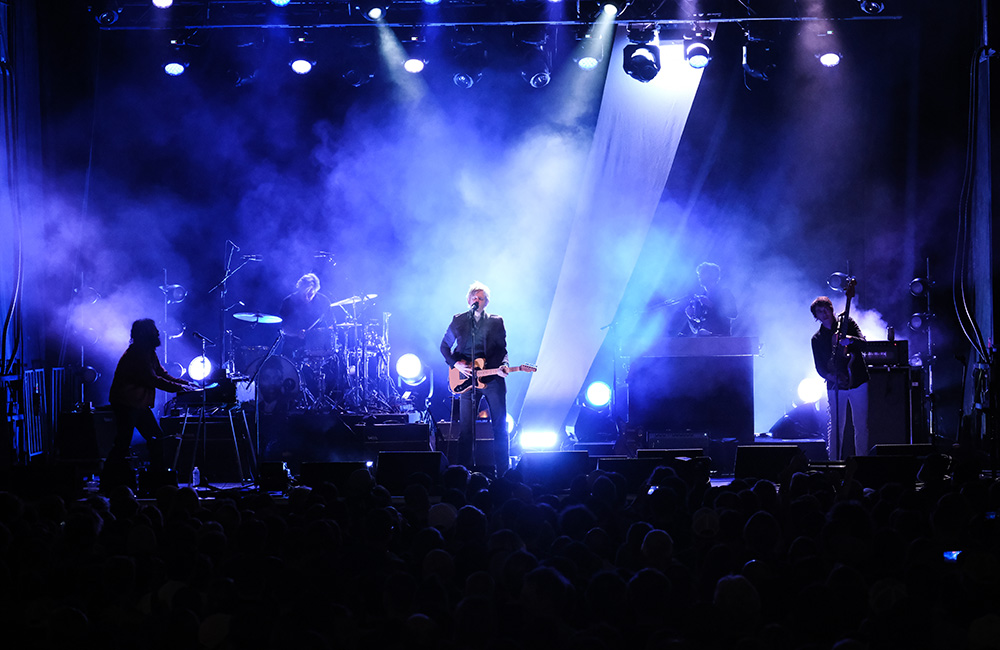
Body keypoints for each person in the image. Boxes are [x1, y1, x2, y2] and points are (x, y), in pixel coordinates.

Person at [104, 318, 197, 487]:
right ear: (145, 333)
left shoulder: (147, 352)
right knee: (124, 443)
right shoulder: (137, 353)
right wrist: (181, 388)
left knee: (156, 438)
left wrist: (186, 384)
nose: (158, 332)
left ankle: (157, 480)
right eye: (154, 330)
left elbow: (162, 374)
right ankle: (108, 481)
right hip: (127, 403)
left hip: (137, 404)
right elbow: (153, 379)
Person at [440, 281, 509, 476]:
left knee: (499, 426)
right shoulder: (459, 320)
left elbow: (503, 350)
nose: (477, 301)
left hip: (492, 378)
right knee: (466, 430)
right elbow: (444, 346)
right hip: (466, 379)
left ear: (487, 302)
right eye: (474, 298)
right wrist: (456, 364)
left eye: (481, 298)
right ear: (468, 299)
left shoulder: (496, 321)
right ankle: (464, 474)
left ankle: (503, 473)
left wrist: (503, 366)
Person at [810, 295, 869, 460]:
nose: (823, 313)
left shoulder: (847, 323)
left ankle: (862, 461)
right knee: (836, 426)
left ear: (831, 309)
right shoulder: (817, 339)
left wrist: (849, 340)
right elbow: (819, 367)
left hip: (858, 381)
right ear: (816, 317)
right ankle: (834, 463)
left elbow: (864, 344)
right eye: (819, 312)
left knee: (861, 425)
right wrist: (833, 377)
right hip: (836, 386)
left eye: (825, 309)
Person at [279, 273, 331, 359]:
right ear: (299, 289)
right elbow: (283, 328)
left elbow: (331, 325)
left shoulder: (323, 301)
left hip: (317, 347)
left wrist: (320, 332)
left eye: (310, 294)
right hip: (293, 346)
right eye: (304, 294)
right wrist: (296, 333)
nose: (307, 297)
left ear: (316, 291)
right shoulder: (288, 302)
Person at [682, 262, 738, 336]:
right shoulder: (701, 298)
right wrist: (691, 317)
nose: (699, 276)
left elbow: (733, 314)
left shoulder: (724, 293)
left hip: (721, 340)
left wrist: (711, 305)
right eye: (699, 274)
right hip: (704, 343)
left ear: (712, 275)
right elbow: (696, 330)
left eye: (702, 273)